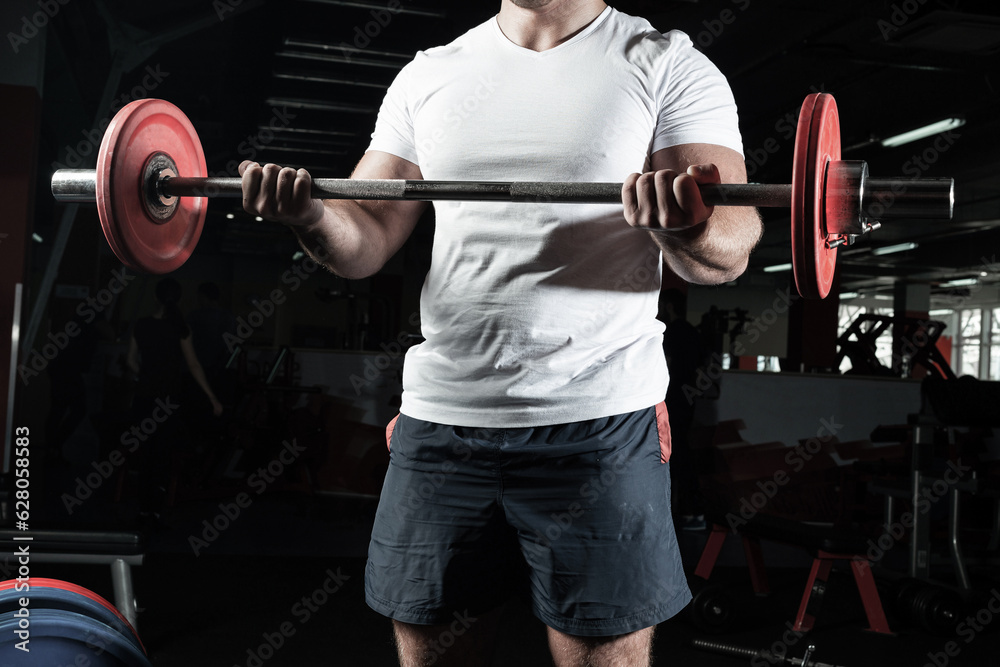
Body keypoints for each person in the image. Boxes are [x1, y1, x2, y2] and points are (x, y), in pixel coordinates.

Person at [240, 1, 762, 664]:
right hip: (443, 420)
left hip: (598, 420)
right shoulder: (431, 74)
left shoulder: (666, 63)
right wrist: (311, 214)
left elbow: (732, 245)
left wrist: (687, 223)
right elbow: (365, 242)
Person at [127, 279, 223, 523]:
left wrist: (144, 375)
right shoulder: (181, 327)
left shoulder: (141, 325)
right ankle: (156, 509)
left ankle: (143, 508)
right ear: (178, 299)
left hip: (143, 398)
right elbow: (193, 365)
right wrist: (211, 397)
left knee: (145, 454)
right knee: (163, 454)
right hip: (167, 399)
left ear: (156, 298)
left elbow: (130, 361)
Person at [658, 288, 708, 531]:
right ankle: (689, 510)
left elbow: (665, 366)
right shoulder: (692, 332)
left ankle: (689, 510)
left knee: (676, 455)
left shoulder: (672, 332)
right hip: (687, 400)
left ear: (668, 307)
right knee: (680, 453)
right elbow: (700, 365)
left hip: (673, 400)